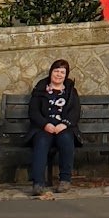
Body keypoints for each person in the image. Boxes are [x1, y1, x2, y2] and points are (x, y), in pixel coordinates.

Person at [27, 58, 81, 197]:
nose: (59, 74)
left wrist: (64, 124)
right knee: (41, 141)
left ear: (66, 74)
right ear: (51, 72)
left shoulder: (71, 91)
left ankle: (65, 180)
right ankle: (38, 183)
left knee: (66, 139)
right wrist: (45, 124)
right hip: (43, 127)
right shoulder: (40, 89)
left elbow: (75, 112)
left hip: (63, 128)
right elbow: (33, 112)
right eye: (56, 71)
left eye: (62, 72)